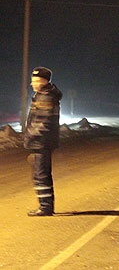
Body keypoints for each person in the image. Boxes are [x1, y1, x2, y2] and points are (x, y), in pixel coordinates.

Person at [24, 67, 62, 216]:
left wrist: (32, 137)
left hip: (41, 142)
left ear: (44, 81)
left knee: (41, 175)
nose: (32, 84)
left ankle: (45, 207)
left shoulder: (46, 97)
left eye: (35, 81)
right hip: (43, 142)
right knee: (42, 173)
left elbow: (43, 122)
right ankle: (46, 206)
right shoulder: (44, 95)